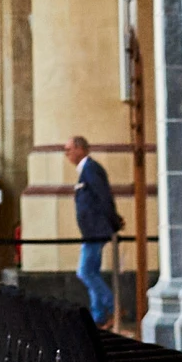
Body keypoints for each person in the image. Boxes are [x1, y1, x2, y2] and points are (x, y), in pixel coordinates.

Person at [65, 134, 122, 325]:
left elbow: (104, 197)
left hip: (95, 231)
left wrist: (113, 221)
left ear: (80, 149)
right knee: (93, 272)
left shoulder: (91, 169)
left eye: (69, 149)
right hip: (90, 231)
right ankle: (98, 316)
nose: (67, 154)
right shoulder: (86, 170)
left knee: (85, 272)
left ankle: (114, 307)